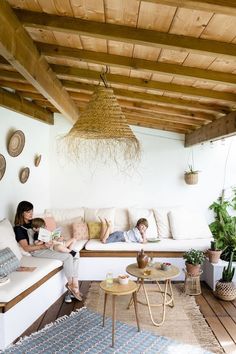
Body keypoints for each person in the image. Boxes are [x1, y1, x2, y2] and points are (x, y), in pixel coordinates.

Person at [14, 201, 82, 303]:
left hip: (48, 246)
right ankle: (72, 285)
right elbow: (26, 248)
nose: (31, 214)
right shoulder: (19, 228)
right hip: (37, 251)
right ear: (21, 212)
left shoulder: (34, 222)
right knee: (68, 256)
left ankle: (74, 285)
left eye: (32, 211)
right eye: (28, 212)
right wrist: (42, 245)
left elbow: (46, 233)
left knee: (76, 253)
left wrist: (57, 238)